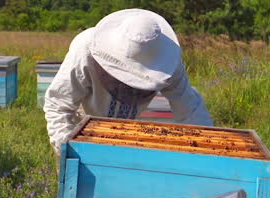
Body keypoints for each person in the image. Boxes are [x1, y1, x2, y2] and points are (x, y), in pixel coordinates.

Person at [43, 8, 213, 152]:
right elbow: (58, 103)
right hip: (82, 120)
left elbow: (191, 109)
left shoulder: (168, 61)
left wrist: (207, 147)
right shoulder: (84, 49)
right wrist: (67, 150)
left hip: (127, 129)